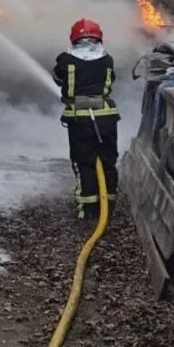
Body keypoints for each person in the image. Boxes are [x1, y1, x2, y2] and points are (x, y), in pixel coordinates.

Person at [52, 18, 119, 220]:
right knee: (108, 163)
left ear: (74, 39)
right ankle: (109, 207)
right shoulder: (108, 60)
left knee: (85, 164)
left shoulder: (65, 59)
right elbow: (111, 80)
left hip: (80, 120)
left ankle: (89, 212)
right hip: (106, 117)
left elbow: (57, 78)